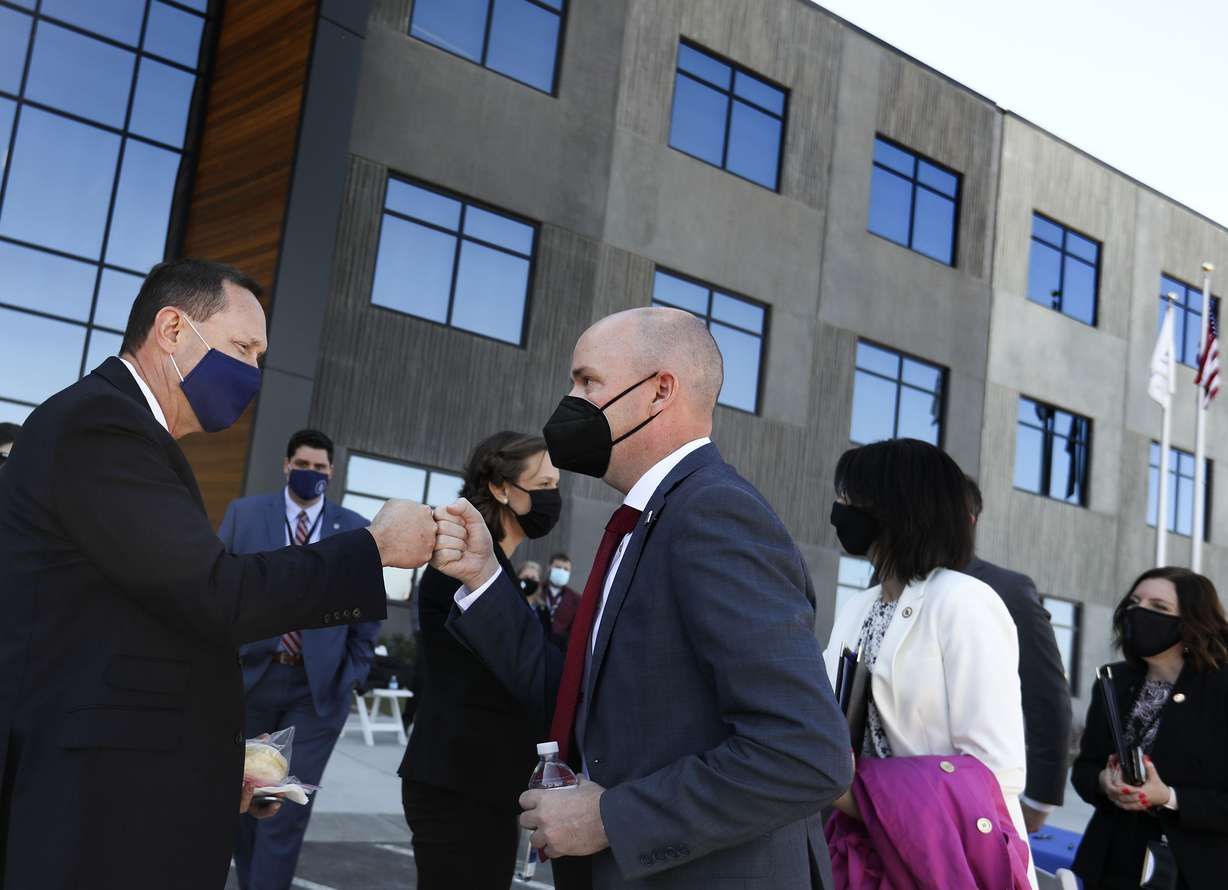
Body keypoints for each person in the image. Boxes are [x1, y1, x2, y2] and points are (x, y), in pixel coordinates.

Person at [0, 259, 437, 890]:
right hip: (90, 810)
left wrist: (205, 760)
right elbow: (215, 594)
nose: (254, 372)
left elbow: (147, 624)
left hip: (126, 782)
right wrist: (373, 549)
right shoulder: (101, 426)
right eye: (243, 348)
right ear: (173, 330)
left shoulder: (128, 435)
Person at [431, 307, 853, 889]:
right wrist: (483, 577)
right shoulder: (648, 518)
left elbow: (806, 753)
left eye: (587, 382)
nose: (569, 400)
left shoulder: (713, 515)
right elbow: (578, 698)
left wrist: (610, 818)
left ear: (659, 392)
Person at [823, 439, 1037, 887]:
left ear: (896, 507)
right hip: (862, 856)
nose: (839, 509)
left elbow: (996, 772)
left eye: (850, 496)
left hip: (943, 861)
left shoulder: (964, 602)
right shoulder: (856, 608)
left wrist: (862, 795)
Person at [219, 428, 382, 890]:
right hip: (249, 682)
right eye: (303, 465)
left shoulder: (353, 528)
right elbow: (216, 591)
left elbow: (368, 613)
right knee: (244, 802)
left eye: (320, 468)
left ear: (332, 472)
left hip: (317, 691)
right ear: (286, 465)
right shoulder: (245, 516)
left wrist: (353, 675)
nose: (311, 474)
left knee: (282, 809)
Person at [400, 432, 562, 890]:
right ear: (500, 488)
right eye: (543, 484)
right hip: (458, 784)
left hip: (482, 785)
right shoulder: (464, 567)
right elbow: (502, 670)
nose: (553, 497)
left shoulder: (498, 571)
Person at [1071, 568, 1228, 890]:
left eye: (1159, 607)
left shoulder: (1220, 688)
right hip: (1110, 864)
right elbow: (1085, 768)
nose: (1140, 612)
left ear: (1193, 622)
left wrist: (1168, 797)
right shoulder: (1113, 681)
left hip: (1193, 872)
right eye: (1134, 602)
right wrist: (1103, 782)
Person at [962, 476, 1072, 832]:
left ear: (968, 518)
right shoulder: (879, 583)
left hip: (967, 803)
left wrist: (1038, 802)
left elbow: (1047, 696)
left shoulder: (1005, 588)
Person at [544, 553, 581, 650]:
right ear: (549, 568)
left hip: (559, 649)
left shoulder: (575, 599)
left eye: (566, 569)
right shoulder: (537, 590)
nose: (561, 571)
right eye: (558, 567)